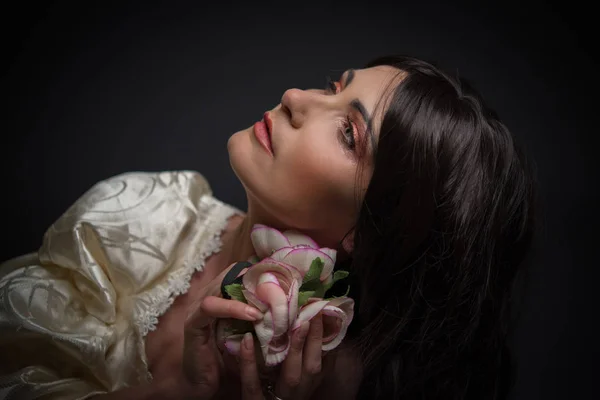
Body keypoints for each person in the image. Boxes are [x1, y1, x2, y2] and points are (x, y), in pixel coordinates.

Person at [0, 54, 536, 399]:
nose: (296, 99)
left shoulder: (336, 387)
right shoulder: (142, 212)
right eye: (332, 85)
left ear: (371, 233)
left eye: (348, 133)